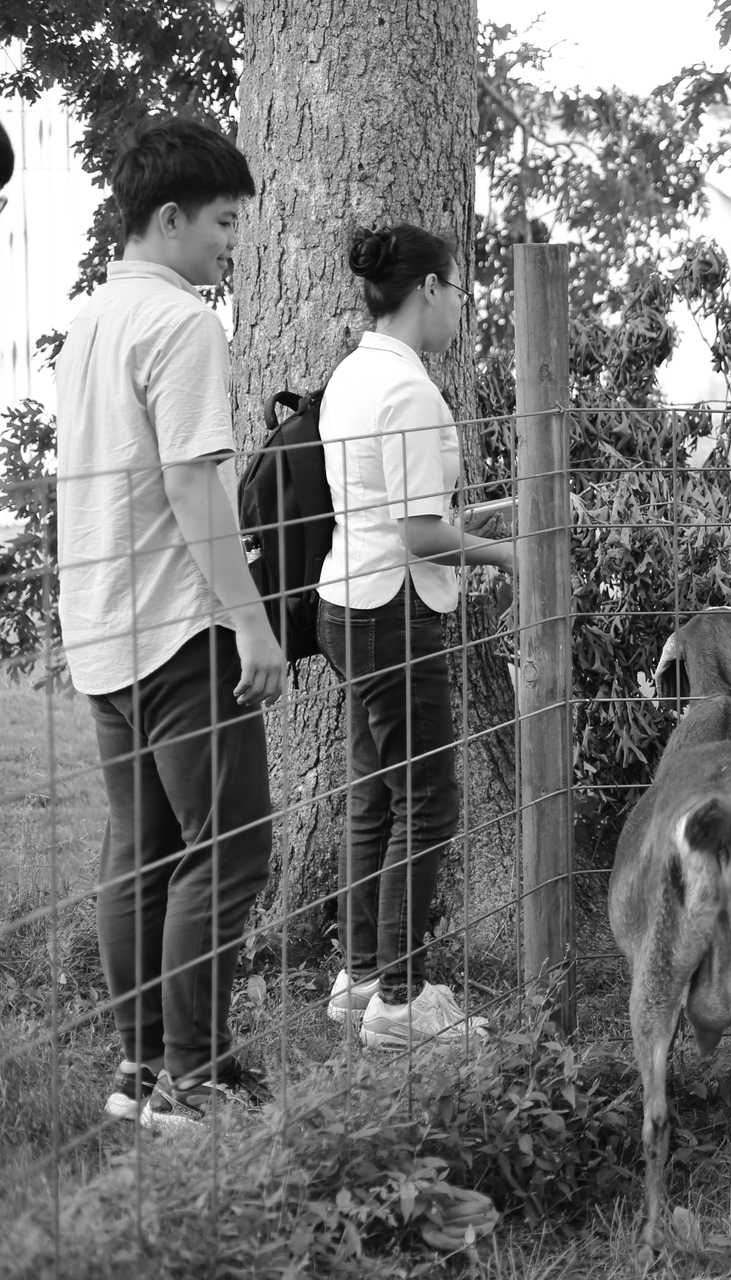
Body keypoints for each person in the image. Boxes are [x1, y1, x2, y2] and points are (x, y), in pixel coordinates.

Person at [55, 117, 283, 1129]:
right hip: (179, 626)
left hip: (100, 620)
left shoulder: (92, 318)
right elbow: (197, 490)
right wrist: (253, 625)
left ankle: (143, 1070)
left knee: (140, 851)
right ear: (172, 216)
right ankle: (190, 1075)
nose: (232, 242)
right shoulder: (185, 322)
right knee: (229, 846)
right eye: (226, 223)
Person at [317, 224, 512, 1047]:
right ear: (429, 288)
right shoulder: (410, 392)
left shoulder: (351, 375)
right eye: (460, 289)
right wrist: (515, 555)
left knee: (373, 795)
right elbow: (420, 537)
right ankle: (400, 1000)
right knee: (428, 804)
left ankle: (362, 978)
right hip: (393, 611)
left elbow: (395, 512)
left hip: (345, 603)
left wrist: (479, 521)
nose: (463, 307)